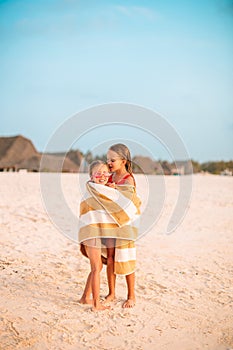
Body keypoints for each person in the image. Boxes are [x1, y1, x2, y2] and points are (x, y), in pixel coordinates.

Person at [105, 143, 137, 308]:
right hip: (110, 224)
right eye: (107, 159)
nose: (109, 162)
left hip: (124, 226)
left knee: (125, 258)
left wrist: (115, 189)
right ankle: (112, 293)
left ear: (123, 161)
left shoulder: (128, 179)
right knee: (110, 258)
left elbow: (128, 200)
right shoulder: (109, 177)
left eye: (113, 160)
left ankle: (131, 295)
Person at [79, 160, 111, 311]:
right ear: (91, 176)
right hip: (91, 232)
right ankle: (97, 304)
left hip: (92, 232)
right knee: (95, 268)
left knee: (97, 266)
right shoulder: (94, 191)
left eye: (105, 173)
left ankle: (85, 297)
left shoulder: (99, 190)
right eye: (98, 173)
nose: (103, 176)